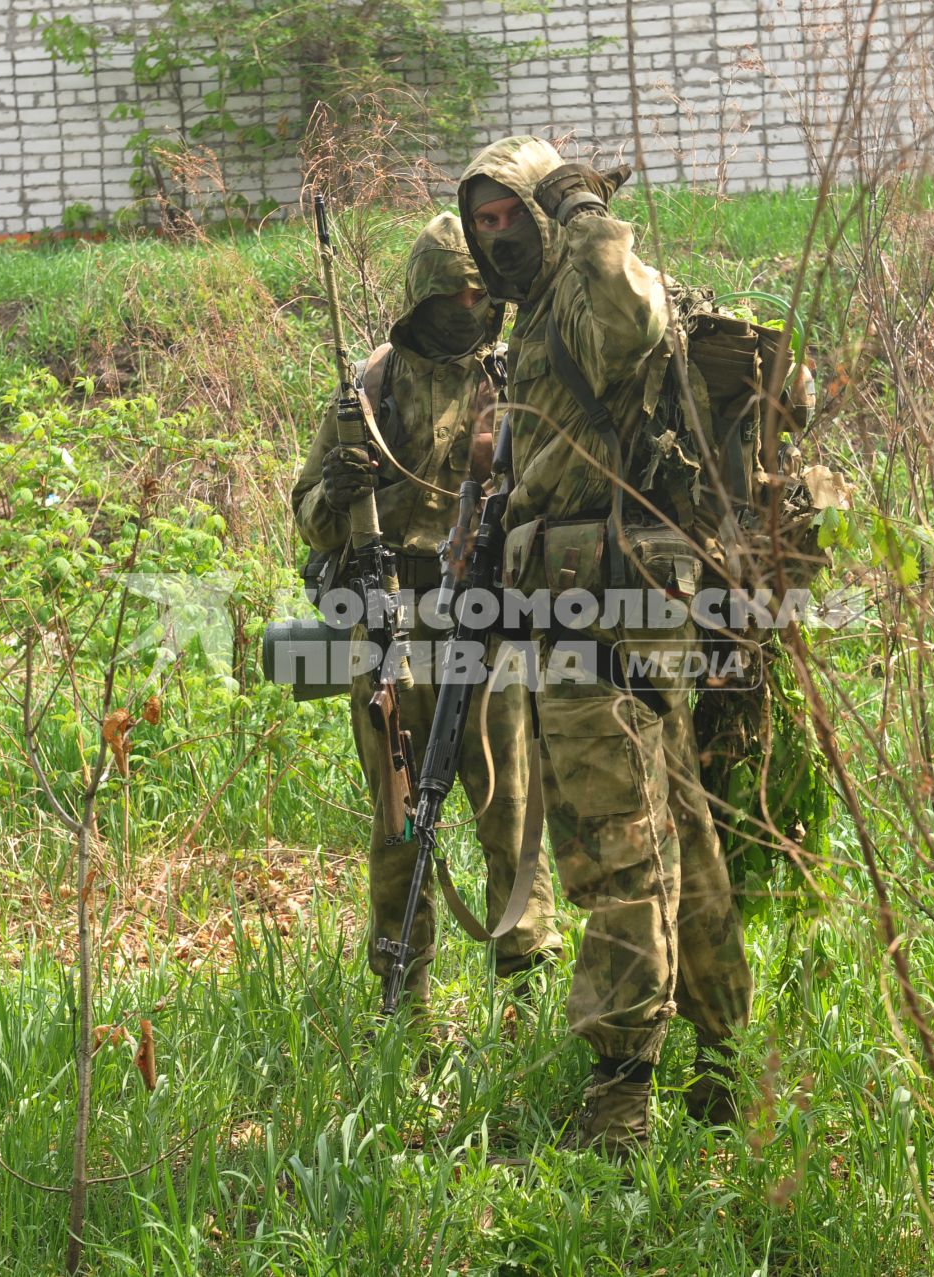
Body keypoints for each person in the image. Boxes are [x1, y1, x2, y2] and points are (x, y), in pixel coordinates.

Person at [456, 136, 753, 1155]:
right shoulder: (539, 313)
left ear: (549, 215)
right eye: (481, 220)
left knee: (613, 855)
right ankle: (726, 1060)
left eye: (512, 216)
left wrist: (584, 214)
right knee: (678, 828)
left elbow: (632, 325)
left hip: (601, 617)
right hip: (594, 610)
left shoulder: (591, 289)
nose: (497, 238)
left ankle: (622, 1100)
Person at [292, 211, 562, 1013]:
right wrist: (336, 495)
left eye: (483, 294)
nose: (472, 309)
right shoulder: (369, 389)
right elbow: (304, 512)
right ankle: (400, 987)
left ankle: (529, 976)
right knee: (400, 818)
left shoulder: (508, 382)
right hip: (391, 625)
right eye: (456, 295)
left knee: (508, 803)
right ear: (423, 297)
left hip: (485, 620)